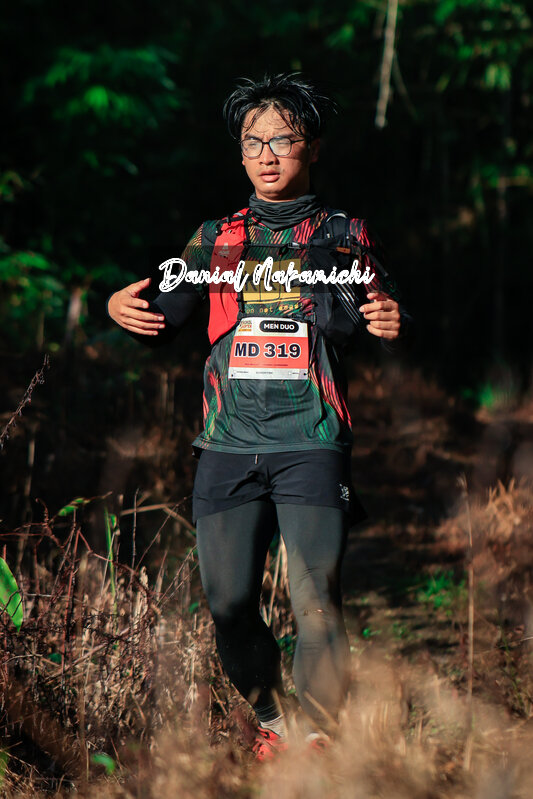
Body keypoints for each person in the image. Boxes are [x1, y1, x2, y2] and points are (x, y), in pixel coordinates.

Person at [107, 73, 411, 759]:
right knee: (228, 602)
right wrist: (117, 309)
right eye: (253, 141)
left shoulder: (343, 234)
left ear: (313, 147)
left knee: (315, 597)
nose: (267, 154)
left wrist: (395, 322)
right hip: (226, 444)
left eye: (283, 139)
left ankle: (321, 735)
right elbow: (160, 315)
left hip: (312, 440)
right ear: (239, 152)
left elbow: (386, 310)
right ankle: (274, 718)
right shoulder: (214, 240)